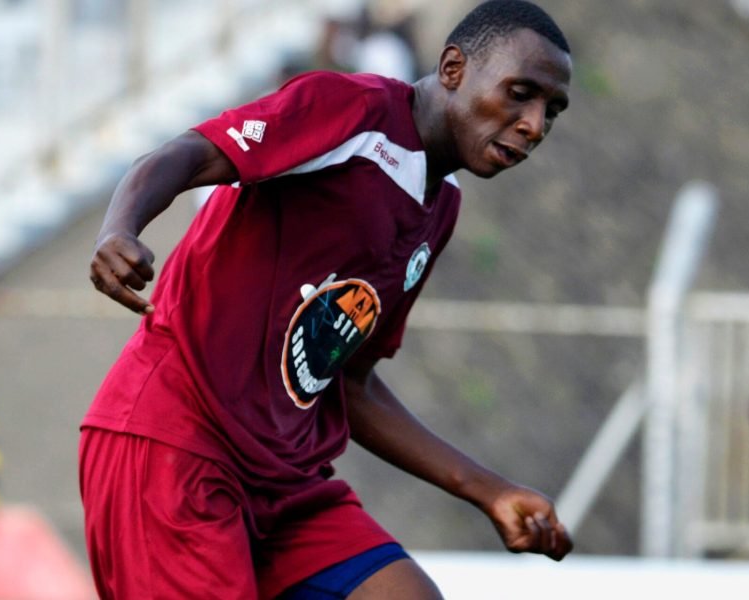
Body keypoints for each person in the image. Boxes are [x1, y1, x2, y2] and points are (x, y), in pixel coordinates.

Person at [81, 1, 573, 598]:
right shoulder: (350, 111)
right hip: (174, 445)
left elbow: (349, 382)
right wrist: (119, 229)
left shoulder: (439, 208)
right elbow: (189, 152)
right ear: (452, 69)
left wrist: (488, 489)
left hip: (283, 480)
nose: (534, 124)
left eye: (552, 111)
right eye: (521, 93)